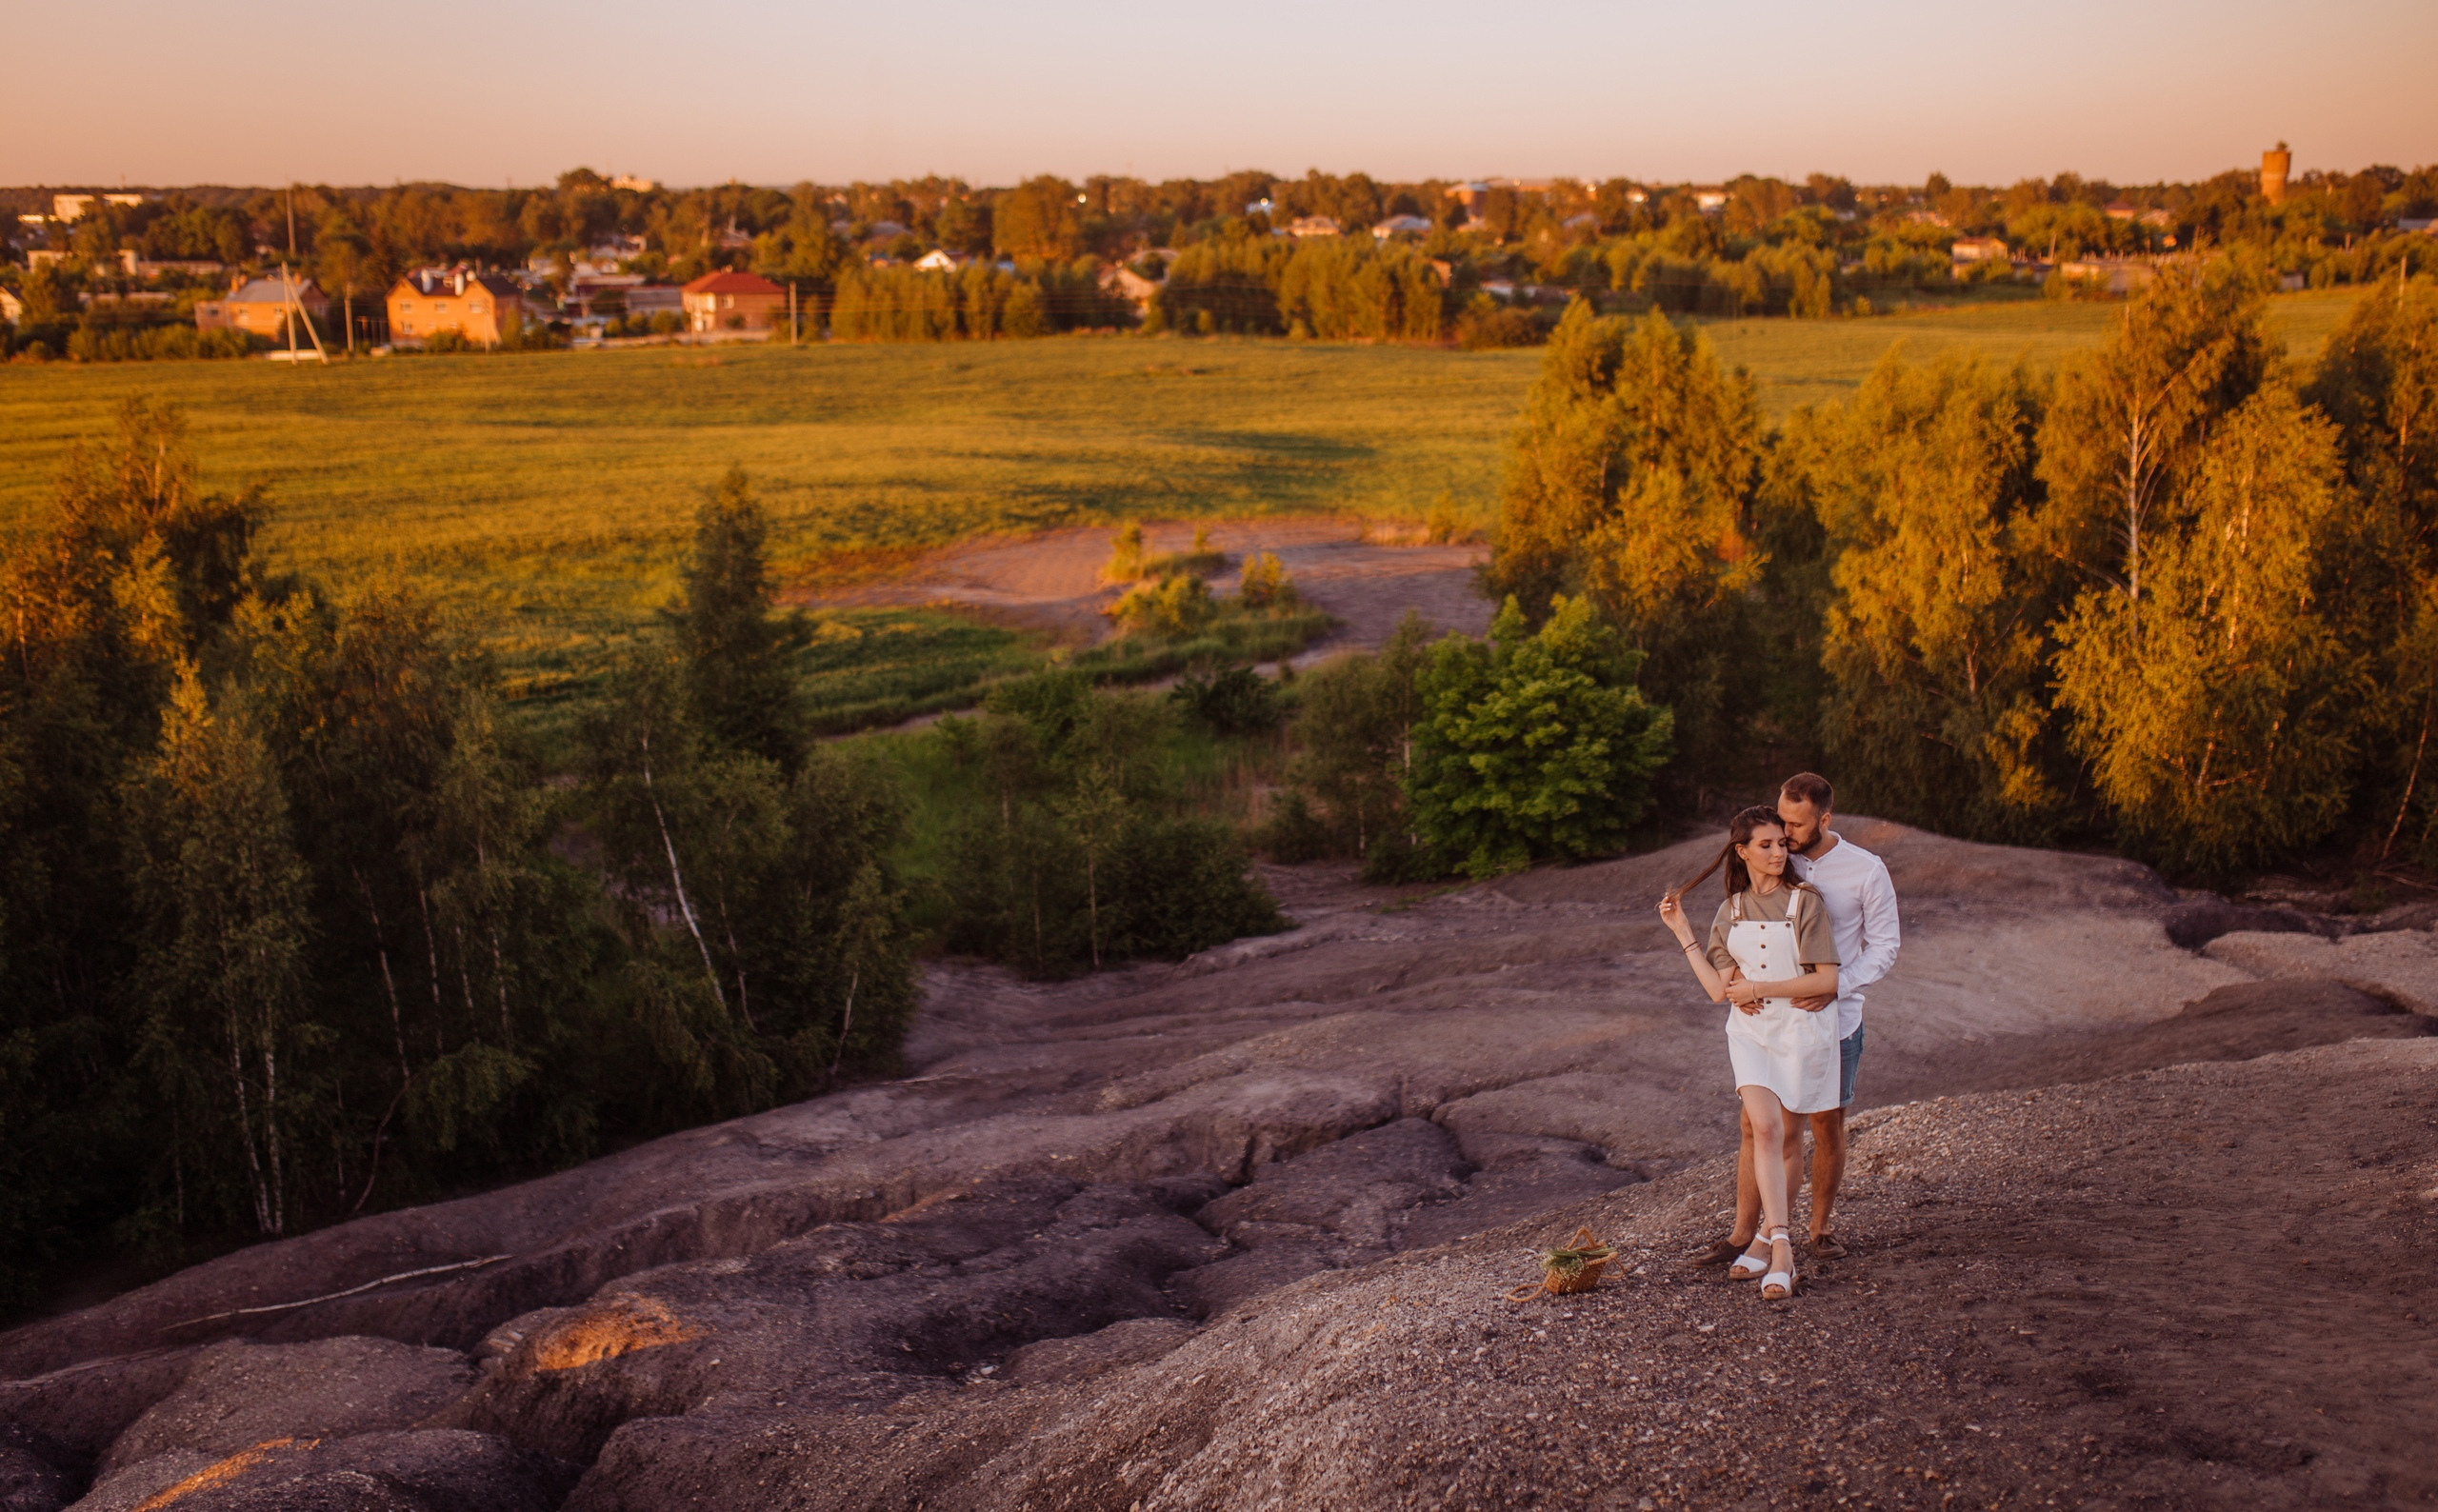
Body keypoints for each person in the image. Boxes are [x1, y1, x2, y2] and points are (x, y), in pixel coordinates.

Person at [1690, 773, 1903, 1270]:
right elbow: (1740, 926)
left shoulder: (1865, 871)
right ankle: (1745, 1233)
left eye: (1794, 825)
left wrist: (1834, 987)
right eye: (1779, 823)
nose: (1784, 835)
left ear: (1824, 820)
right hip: (1767, 1019)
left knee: (1826, 1123)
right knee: (1758, 1125)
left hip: (1835, 1015)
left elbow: (1886, 946)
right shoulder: (1773, 854)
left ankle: (1819, 1228)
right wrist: (1737, 979)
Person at [1657, 805, 1841, 1303]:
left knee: (1788, 1136)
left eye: (1782, 843)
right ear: (1743, 851)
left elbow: (1827, 979)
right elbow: (1719, 992)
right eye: (1766, 845)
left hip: (1801, 1030)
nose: (1779, 852)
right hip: (1750, 1034)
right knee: (1764, 1128)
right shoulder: (1730, 910)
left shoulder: (1806, 903)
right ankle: (1782, 1248)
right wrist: (1682, 933)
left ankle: (1767, 1239)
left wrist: (1760, 985)